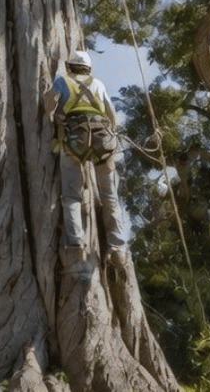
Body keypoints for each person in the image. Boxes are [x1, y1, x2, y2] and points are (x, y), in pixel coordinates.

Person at [52, 50, 128, 274]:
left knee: (72, 196)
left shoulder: (62, 81)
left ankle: (75, 243)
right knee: (110, 196)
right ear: (88, 68)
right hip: (103, 142)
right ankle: (117, 247)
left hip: (74, 142)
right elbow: (112, 116)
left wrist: (55, 115)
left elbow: (50, 102)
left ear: (69, 66)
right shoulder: (99, 84)